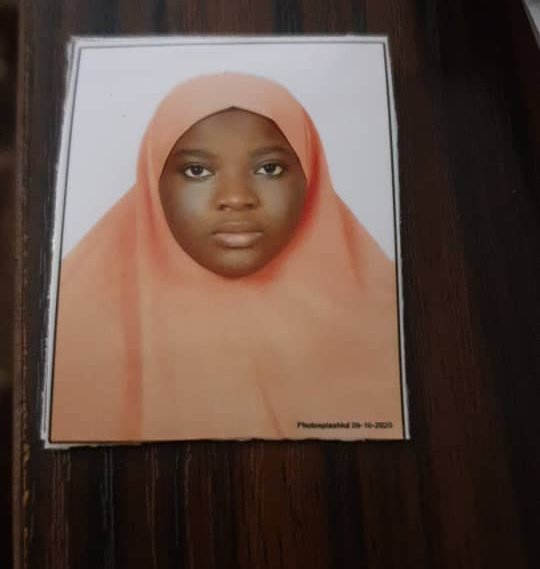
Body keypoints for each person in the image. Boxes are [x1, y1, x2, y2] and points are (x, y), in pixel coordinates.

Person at [50, 71, 403, 442]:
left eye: (269, 169)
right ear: (153, 181)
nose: (236, 197)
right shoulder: (72, 322)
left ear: (310, 175)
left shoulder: (386, 314)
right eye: (197, 171)